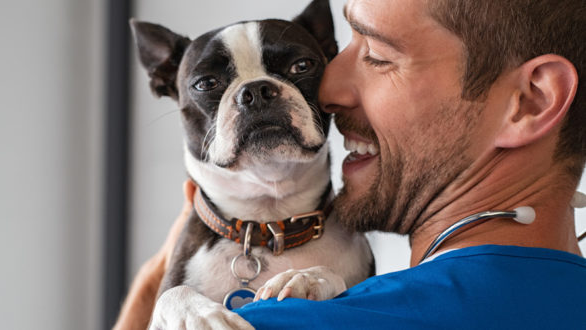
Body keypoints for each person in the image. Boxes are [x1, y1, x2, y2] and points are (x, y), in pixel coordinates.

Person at [116, 0, 586, 328]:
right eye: (340, 51)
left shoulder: (277, 321)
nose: (329, 88)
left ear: (530, 101)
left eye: (378, 56)